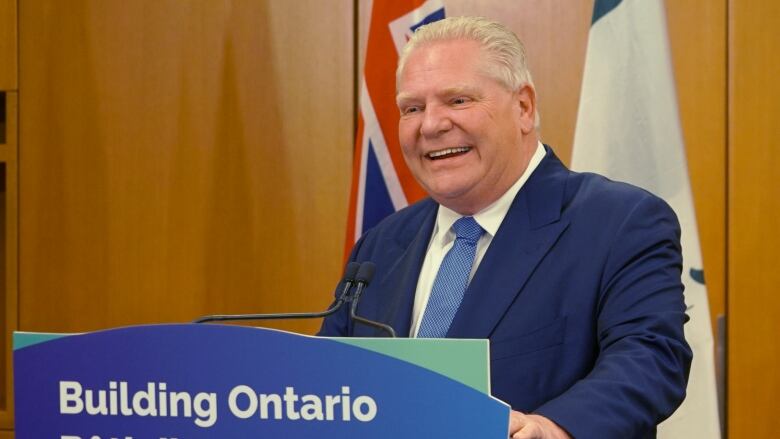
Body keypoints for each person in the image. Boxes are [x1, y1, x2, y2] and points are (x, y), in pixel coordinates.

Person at [319, 16, 691, 439]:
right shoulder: (380, 246)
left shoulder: (619, 222)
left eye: (458, 101)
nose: (431, 125)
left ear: (524, 107)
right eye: (412, 108)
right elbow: (332, 384)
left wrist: (553, 427)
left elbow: (650, 356)